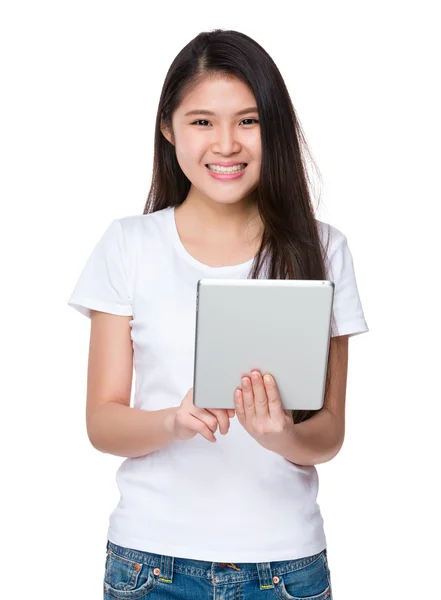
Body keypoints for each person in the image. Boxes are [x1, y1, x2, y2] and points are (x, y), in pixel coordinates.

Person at [68, 29, 368, 600]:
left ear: (272, 129)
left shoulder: (324, 249)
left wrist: (282, 436)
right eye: (202, 121)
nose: (226, 144)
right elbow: (102, 423)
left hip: (285, 570)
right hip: (151, 567)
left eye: (248, 121)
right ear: (168, 128)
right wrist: (173, 423)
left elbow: (329, 434)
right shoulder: (129, 245)